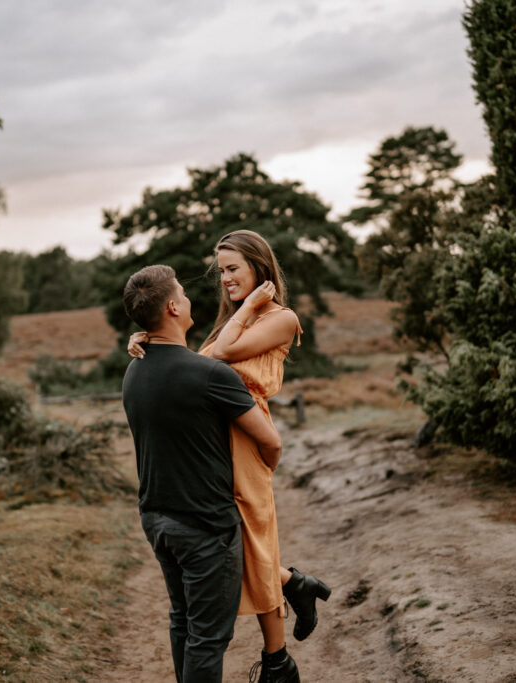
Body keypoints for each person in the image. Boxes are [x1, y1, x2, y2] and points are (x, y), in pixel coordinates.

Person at [128, 230, 331, 682]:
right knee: (241, 547)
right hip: (222, 440)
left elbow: (219, 357)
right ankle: (294, 590)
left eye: (233, 268)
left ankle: (279, 656)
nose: (224, 279)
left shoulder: (280, 317)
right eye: (221, 271)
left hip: (249, 438)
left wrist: (250, 308)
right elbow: (190, 361)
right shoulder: (233, 321)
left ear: (260, 267)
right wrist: (141, 339)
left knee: (253, 544)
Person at [121, 264, 284, 683]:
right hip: (205, 525)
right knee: (208, 638)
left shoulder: (134, 370)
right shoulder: (211, 375)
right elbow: (272, 443)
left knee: (183, 621)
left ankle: (295, 583)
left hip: (156, 518)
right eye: (184, 293)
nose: (193, 299)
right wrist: (263, 469)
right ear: (174, 307)